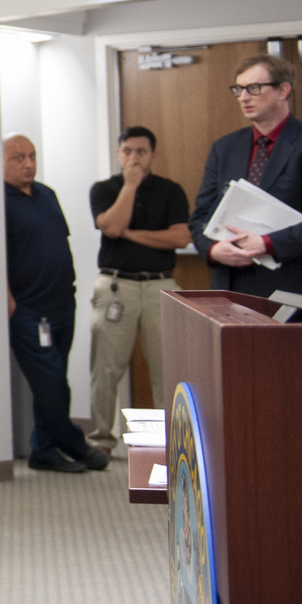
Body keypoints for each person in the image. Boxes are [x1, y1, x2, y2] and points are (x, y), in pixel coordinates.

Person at [190, 53, 302, 304]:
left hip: (293, 288)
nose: (244, 97)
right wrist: (213, 250)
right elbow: (200, 219)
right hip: (230, 288)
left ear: (283, 90)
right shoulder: (224, 148)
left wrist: (265, 243)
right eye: (239, 89)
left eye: (253, 88)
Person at [3, 135, 106, 474]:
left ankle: (44, 450)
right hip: (29, 310)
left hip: (62, 303)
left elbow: (58, 242)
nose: (28, 163)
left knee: (58, 379)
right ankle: (75, 444)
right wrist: (6, 299)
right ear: (1, 161)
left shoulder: (46, 194)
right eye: (18, 157)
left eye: (31, 156)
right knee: (48, 384)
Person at [86, 126, 190, 454]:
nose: (134, 157)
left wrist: (130, 234)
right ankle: (101, 440)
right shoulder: (104, 189)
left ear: (153, 155)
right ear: (118, 154)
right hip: (117, 286)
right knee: (106, 366)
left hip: (161, 285)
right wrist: (130, 186)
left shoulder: (171, 190)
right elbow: (112, 225)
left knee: (167, 367)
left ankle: (170, 443)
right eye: (127, 151)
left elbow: (180, 238)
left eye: (141, 152)